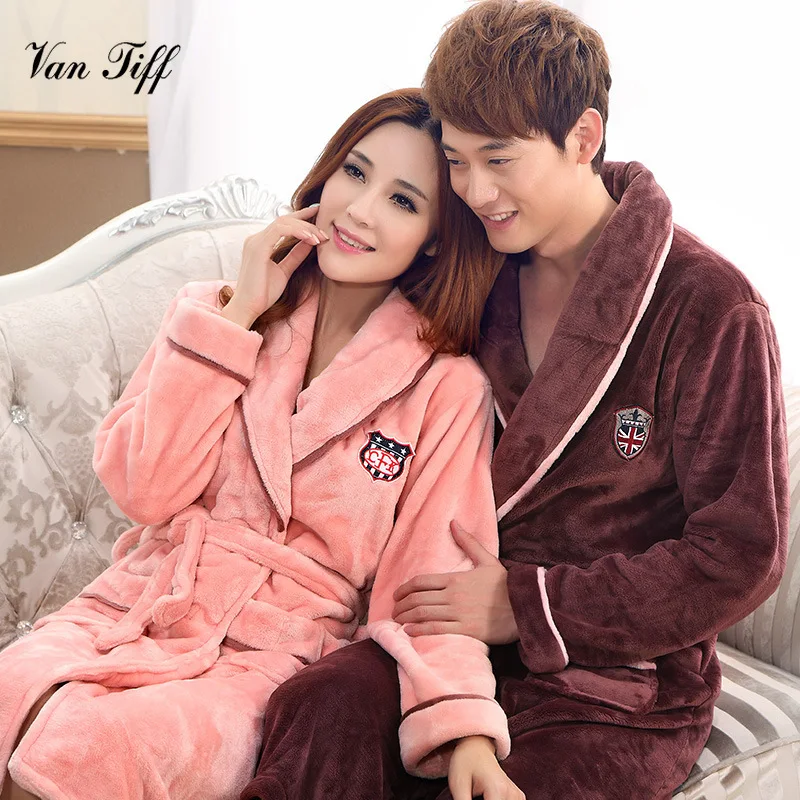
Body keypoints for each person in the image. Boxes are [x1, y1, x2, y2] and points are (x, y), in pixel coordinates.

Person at [240, 2, 791, 799]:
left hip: (611, 680)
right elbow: (354, 350)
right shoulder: (475, 268)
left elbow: (740, 554)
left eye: (498, 159)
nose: (475, 190)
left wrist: (527, 607)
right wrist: (245, 303)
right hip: (446, 639)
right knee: (322, 705)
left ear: (584, 137)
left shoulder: (709, 307)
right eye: (457, 161)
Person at [0, 89, 518, 800]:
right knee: (13, 701)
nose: (360, 211)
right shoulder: (214, 315)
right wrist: (240, 312)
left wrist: (465, 731)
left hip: (267, 661)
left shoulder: (444, 387)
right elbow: (143, 489)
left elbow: (430, 585)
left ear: (434, 237)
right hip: (132, 606)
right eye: (355, 173)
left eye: (403, 201)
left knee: (85, 752)